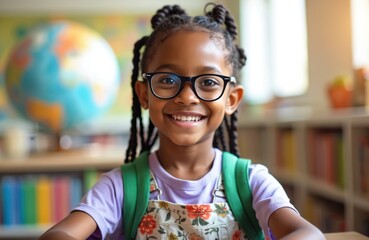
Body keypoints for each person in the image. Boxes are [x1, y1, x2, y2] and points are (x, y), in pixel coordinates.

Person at [40, 3, 325, 240]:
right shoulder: (119, 187)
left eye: (209, 81)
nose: (187, 97)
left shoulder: (250, 183)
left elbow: (307, 234)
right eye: (167, 80)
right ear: (144, 94)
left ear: (231, 99)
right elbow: (59, 235)